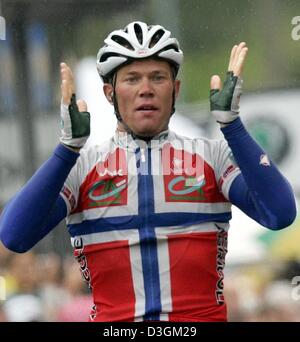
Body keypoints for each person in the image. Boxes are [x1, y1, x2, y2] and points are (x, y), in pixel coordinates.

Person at [0, 21, 296, 322]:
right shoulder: (81, 167)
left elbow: (280, 213)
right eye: (131, 79)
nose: (146, 90)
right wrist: (66, 151)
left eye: (158, 78)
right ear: (109, 93)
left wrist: (232, 126)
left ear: (176, 89)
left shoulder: (213, 156)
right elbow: (14, 235)